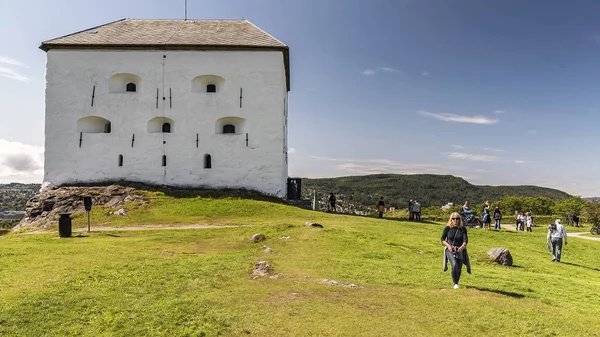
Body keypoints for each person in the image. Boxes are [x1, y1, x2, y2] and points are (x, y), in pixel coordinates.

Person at [441, 212, 471, 289]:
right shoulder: (447, 228)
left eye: (457, 218)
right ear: (451, 219)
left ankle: (457, 281)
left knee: (459, 267)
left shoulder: (463, 229)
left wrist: (462, 247)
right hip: (450, 250)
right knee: (454, 265)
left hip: (460, 250)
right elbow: (442, 239)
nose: (455, 220)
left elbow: (465, 240)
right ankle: (455, 283)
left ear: (459, 220)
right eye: (453, 218)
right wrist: (448, 246)